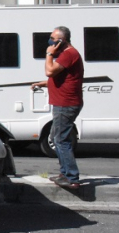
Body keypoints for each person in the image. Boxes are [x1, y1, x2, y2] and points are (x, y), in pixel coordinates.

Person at [31, 26, 84, 190]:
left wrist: (49, 54)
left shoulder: (69, 54)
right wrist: (44, 84)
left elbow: (50, 71)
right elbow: (61, 77)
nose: (50, 41)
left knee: (61, 140)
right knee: (56, 138)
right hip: (63, 103)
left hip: (66, 104)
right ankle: (65, 173)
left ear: (62, 40)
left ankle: (71, 177)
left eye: (53, 39)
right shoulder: (66, 54)